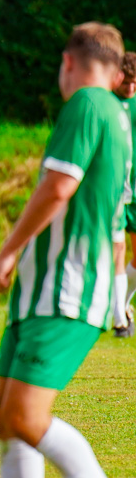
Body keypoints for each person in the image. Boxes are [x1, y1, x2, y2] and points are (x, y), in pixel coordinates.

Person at [0, 23, 136, 478]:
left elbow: (59, 187)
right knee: (9, 421)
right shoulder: (118, 117)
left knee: (26, 417)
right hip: (48, 286)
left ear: (69, 62)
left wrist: (8, 249)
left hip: (67, 286)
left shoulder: (88, 105)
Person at [111, 52, 136, 337]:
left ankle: (121, 304)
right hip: (115, 188)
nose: (130, 88)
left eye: (135, 83)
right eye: (126, 82)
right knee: (118, 249)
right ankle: (119, 317)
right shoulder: (108, 104)